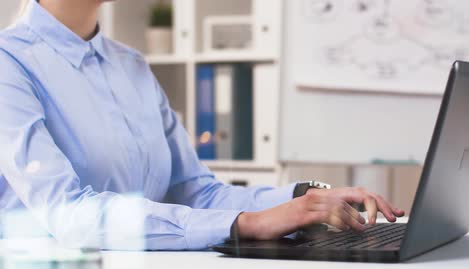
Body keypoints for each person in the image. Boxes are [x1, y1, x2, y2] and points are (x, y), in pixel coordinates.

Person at [0, 0, 404, 250]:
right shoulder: (10, 64)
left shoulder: (131, 66)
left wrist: (305, 199)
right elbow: (67, 213)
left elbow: (194, 191)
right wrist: (245, 223)